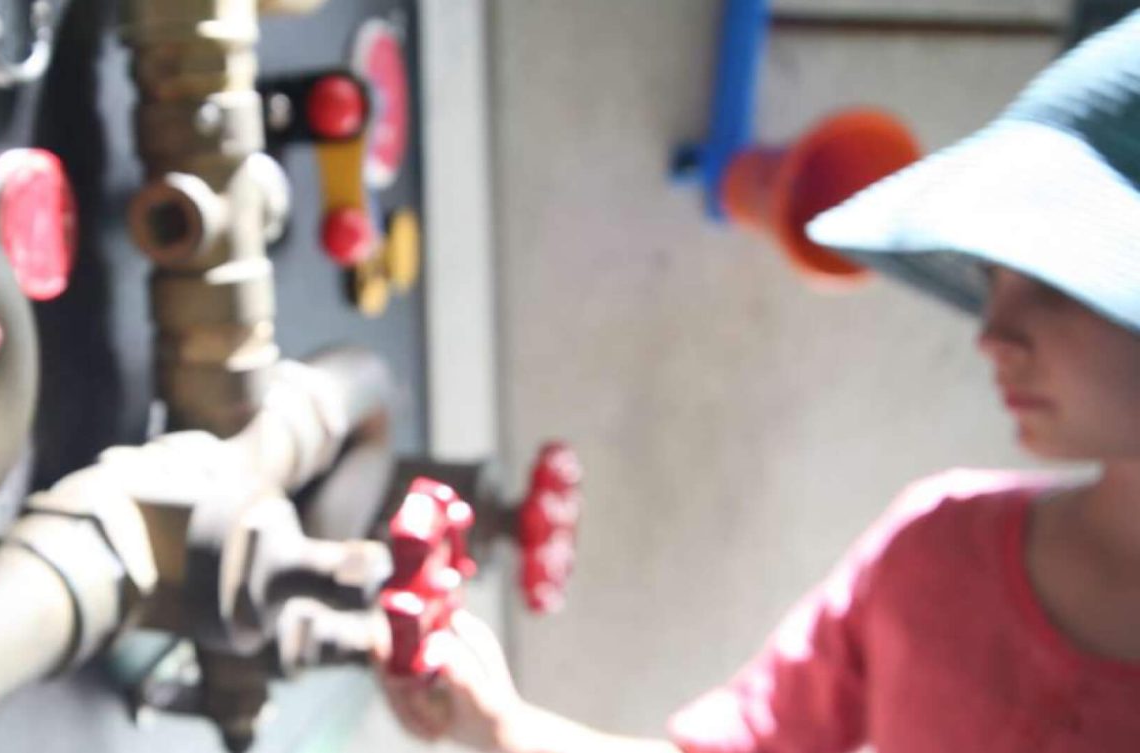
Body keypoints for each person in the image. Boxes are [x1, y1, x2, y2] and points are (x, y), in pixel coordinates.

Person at [374, 12, 1140, 753]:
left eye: (1056, 283)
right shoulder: (939, 550)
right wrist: (500, 727)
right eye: (991, 282)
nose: (993, 335)